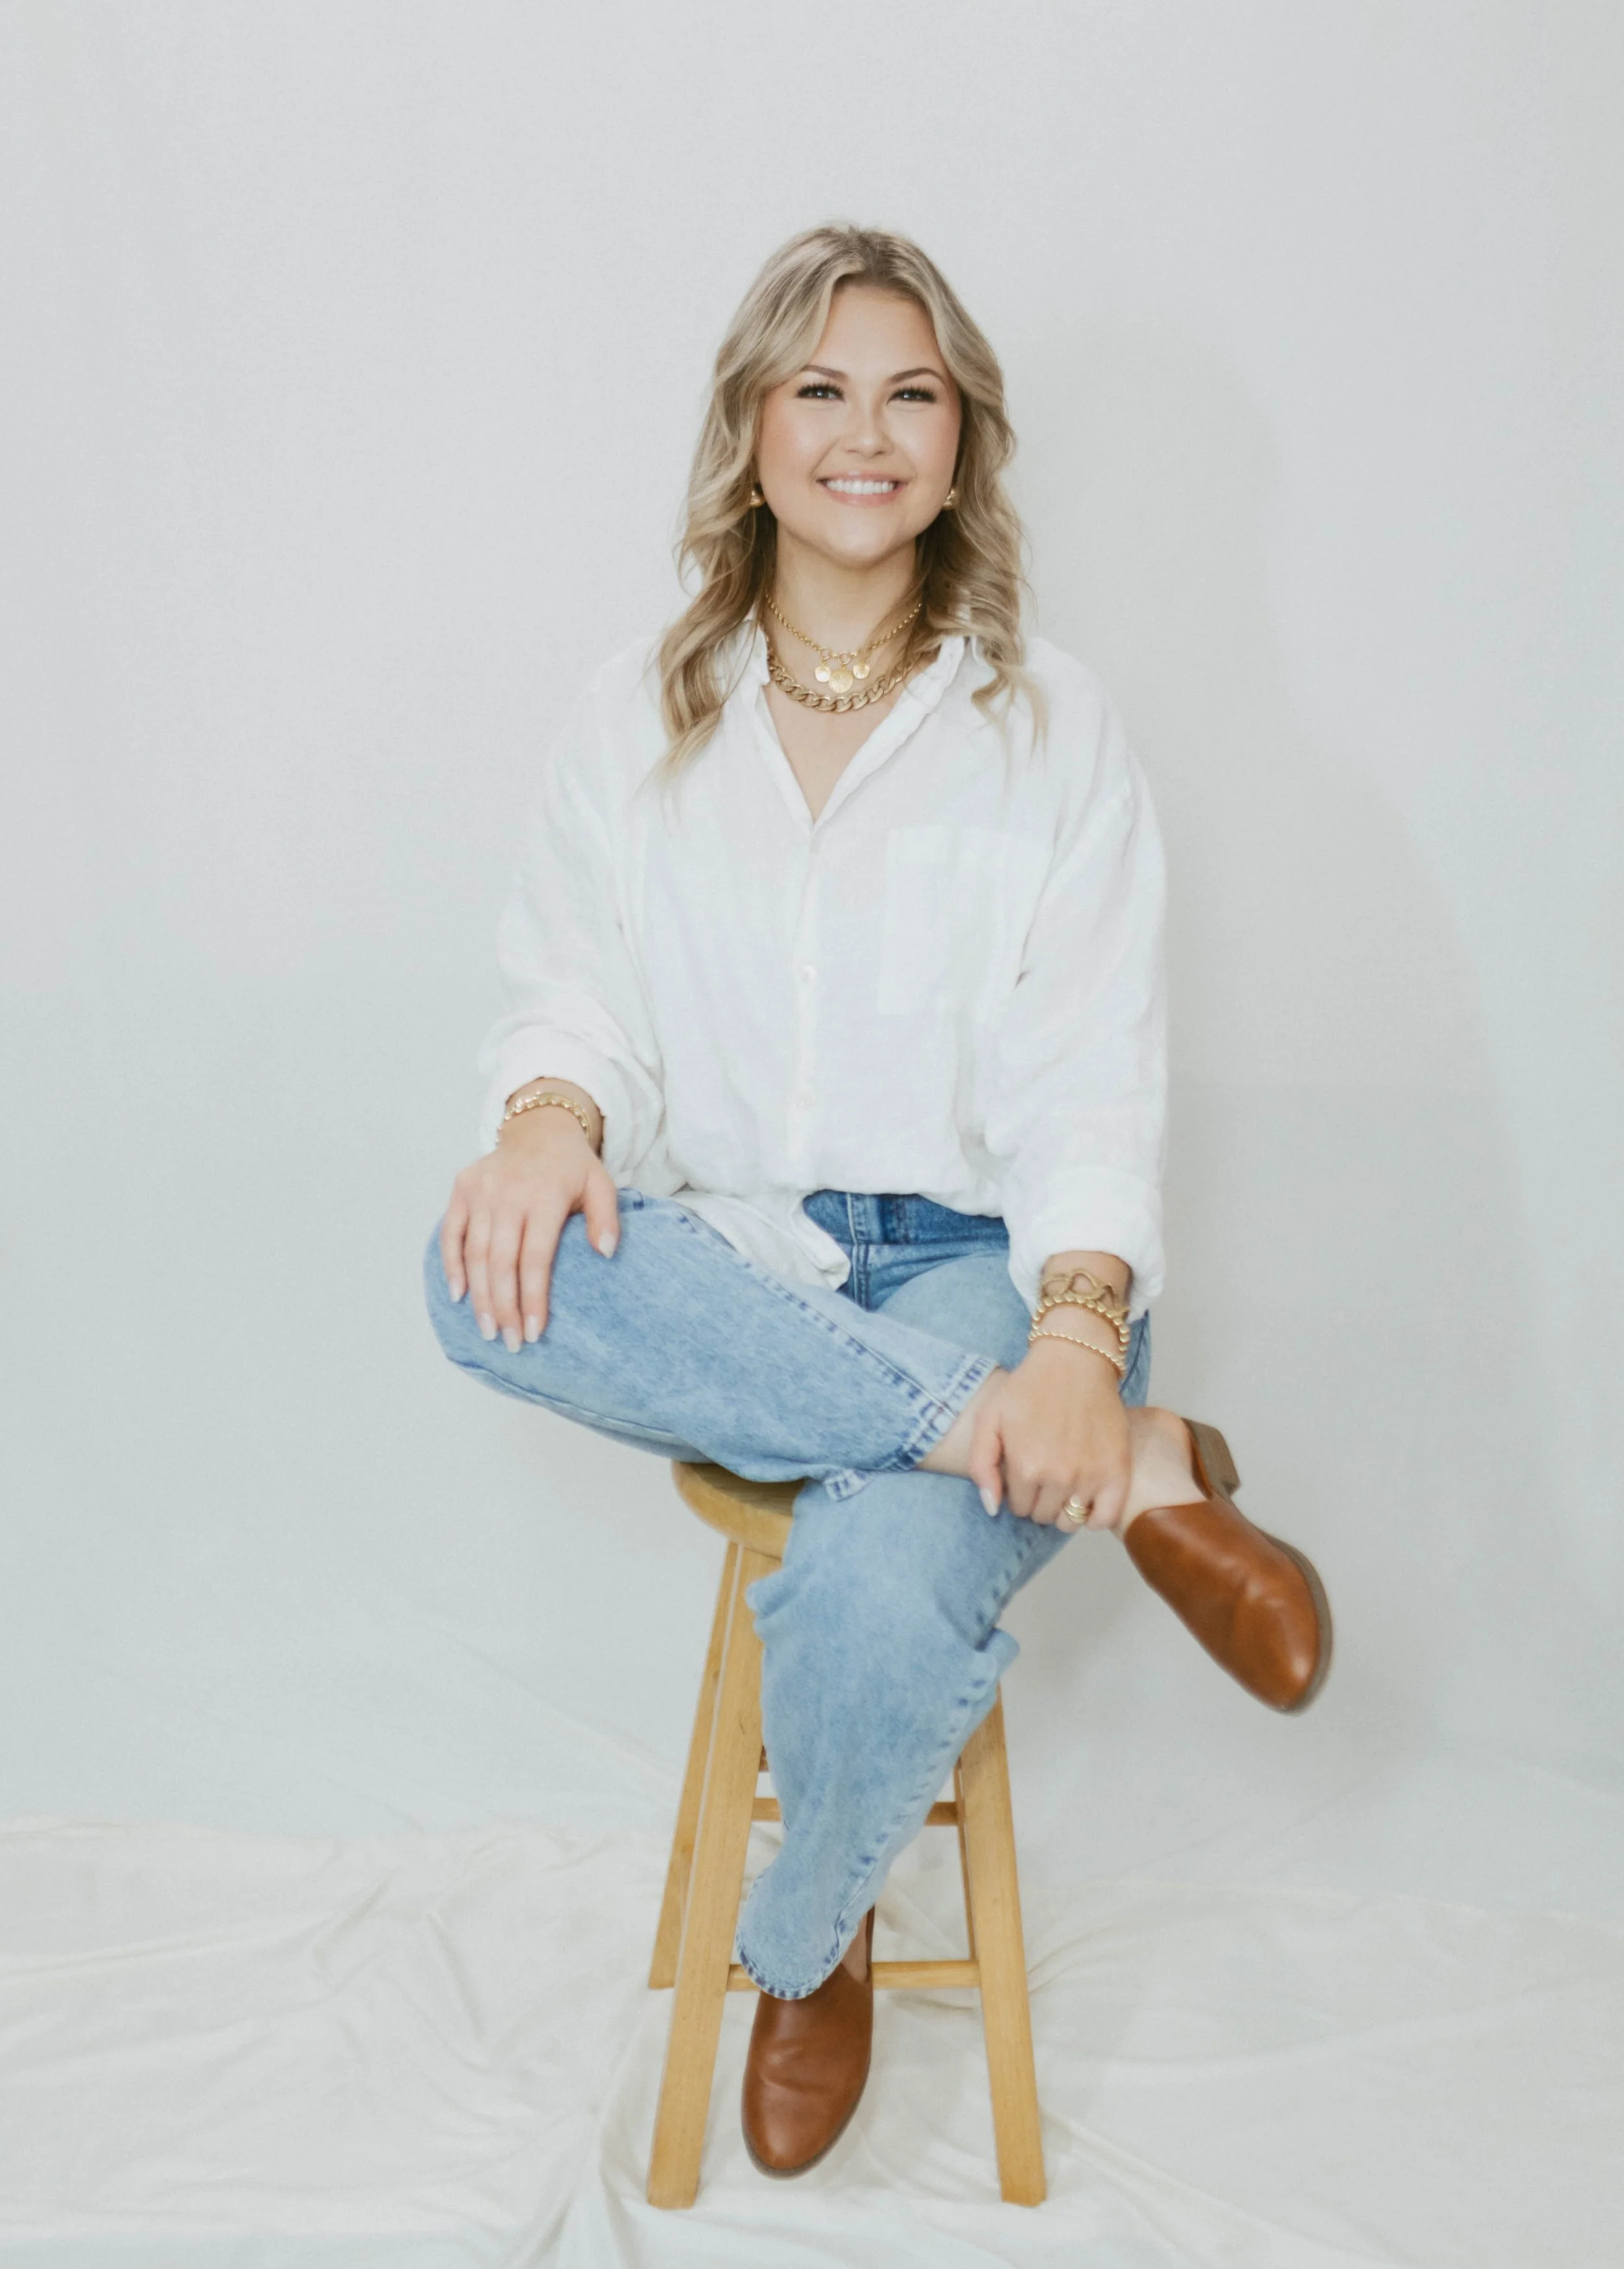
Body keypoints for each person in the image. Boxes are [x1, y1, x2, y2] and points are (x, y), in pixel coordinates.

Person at [424, 223, 1332, 2181]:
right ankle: (1122, 1467)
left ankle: (805, 1935)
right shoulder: (637, 712)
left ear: (960, 442)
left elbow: (1093, 1067)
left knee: (878, 1571)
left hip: (983, 1273)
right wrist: (549, 1118)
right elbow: (573, 992)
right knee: (473, 1272)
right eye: (818, 388)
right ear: (751, 433)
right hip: (732, 1264)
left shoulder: (1051, 726)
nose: (863, 430)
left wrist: (1075, 1333)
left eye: (907, 392)